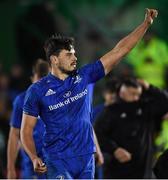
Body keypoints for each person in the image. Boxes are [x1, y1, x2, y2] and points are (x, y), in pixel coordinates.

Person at [20, 9, 158, 179]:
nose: (75, 57)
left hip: (86, 160)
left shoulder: (84, 76)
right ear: (54, 60)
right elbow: (26, 130)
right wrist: (33, 156)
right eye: (69, 54)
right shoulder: (36, 91)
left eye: (75, 53)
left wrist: (145, 25)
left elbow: (120, 50)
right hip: (58, 161)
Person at [94, 78, 168, 178]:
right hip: (116, 171)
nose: (136, 98)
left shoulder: (145, 109)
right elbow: (97, 134)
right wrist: (114, 150)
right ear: (122, 93)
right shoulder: (111, 111)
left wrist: (150, 87)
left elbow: (165, 102)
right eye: (132, 94)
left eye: (138, 94)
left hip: (142, 172)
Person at [7, 59, 49, 179]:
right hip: (31, 166)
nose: (41, 81)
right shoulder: (21, 100)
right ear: (32, 79)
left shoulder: (57, 98)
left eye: (45, 77)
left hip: (56, 162)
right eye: (39, 77)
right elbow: (14, 135)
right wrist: (10, 169)